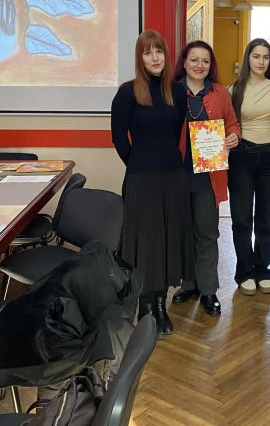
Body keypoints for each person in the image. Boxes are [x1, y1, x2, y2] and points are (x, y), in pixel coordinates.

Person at [110, 30, 189, 340]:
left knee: (168, 239)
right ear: (140, 58)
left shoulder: (178, 92)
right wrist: (138, 163)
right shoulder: (127, 93)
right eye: (148, 52)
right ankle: (144, 305)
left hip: (173, 177)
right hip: (141, 179)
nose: (155, 58)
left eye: (159, 52)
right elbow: (119, 138)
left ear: (166, 56)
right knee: (144, 243)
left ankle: (160, 303)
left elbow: (175, 133)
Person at [172, 41, 240, 316]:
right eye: (194, 60)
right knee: (183, 233)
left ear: (211, 65)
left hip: (208, 176)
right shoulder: (172, 90)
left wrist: (234, 136)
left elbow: (233, 123)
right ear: (184, 62)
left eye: (205, 61)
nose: (199, 65)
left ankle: (208, 289)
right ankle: (188, 284)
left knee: (207, 233)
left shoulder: (220, 92)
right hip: (177, 174)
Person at [228, 38, 270, 295]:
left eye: (266, 57)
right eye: (256, 56)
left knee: (266, 218)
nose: (261, 61)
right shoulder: (233, 89)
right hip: (241, 156)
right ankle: (244, 272)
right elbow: (230, 124)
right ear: (248, 59)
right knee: (242, 219)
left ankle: (262, 270)